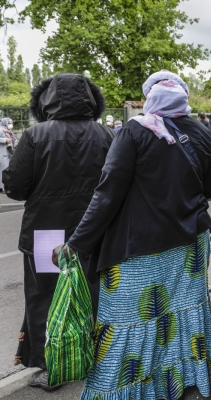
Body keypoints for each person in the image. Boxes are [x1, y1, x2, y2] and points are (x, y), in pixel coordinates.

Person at [51, 70, 211, 399]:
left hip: (138, 251)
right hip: (188, 246)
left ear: (149, 98)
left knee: (129, 321)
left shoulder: (133, 132)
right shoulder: (202, 132)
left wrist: (76, 243)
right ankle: (182, 378)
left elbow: (106, 195)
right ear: (184, 96)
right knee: (183, 311)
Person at [2, 73, 114, 391]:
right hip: (93, 231)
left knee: (45, 299)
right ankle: (93, 357)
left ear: (46, 101)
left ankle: (51, 368)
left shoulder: (37, 134)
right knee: (93, 295)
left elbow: (15, 186)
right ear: (90, 100)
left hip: (45, 233)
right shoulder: (105, 135)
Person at [0, 118, 16, 193]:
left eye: (11, 123)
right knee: (4, 171)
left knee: (7, 171)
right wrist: (5, 140)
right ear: (5, 123)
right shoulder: (0, 130)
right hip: (2, 154)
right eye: (9, 123)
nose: (11, 125)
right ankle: (3, 187)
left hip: (9, 153)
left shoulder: (10, 132)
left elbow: (14, 142)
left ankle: (5, 187)